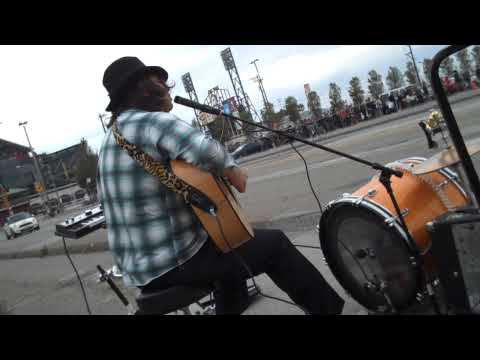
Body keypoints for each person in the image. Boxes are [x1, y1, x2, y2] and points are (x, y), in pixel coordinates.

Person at [98, 56, 345, 315]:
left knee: (228, 256)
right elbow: (207, 152)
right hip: (174, 261)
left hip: (138, 270)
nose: (166, 85)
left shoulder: (109, 140)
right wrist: (234, 172)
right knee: (274, 245)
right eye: (158, 80)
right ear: (145, 88)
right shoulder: (151, 122)